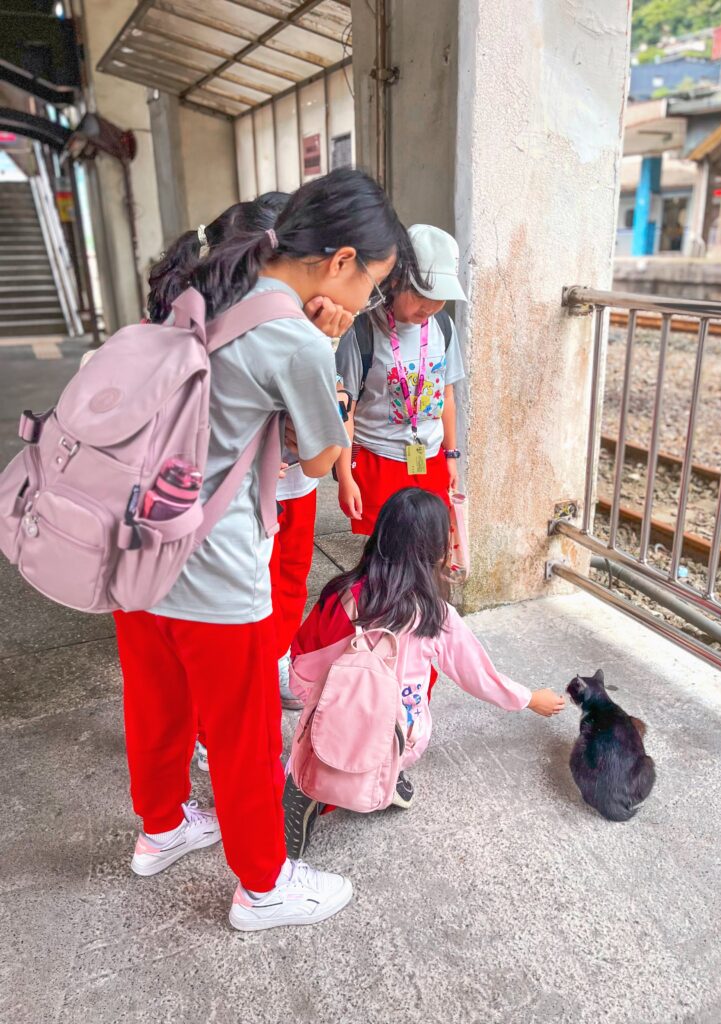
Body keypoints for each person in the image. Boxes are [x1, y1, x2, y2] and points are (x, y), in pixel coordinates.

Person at [113, 168, 400, 932]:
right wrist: (326, 348)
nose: (363, 305)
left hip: (135, 544)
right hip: (210, 566)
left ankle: (161, 829)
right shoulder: (294, 335)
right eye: (370, 286)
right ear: (340, 261)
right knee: (241, 732)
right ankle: (264, 887)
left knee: (155, 702)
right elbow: (315, 457)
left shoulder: (203, 281)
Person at [148, 192, 353, 723]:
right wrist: (317, 346)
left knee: (290, 579)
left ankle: (273, 662)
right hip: (234, 503)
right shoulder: (219, 318)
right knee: (238, 610)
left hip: (287, 488)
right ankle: (222, 708)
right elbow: (317, 450)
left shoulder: (289, 320)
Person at [282, 488, 565, 858]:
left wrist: (323, 698)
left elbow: (301, 663)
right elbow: (478, 675)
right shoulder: (435, 616)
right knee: (403, 724)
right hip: (399, 734)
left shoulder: (342, 595)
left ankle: (309, 786)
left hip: (330, 722)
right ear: (435, 549)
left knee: (329, 729)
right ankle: (388, 772)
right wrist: (529, 698)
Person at [335, 224, 466, 536]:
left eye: (440, 298)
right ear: (395, 280)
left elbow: (446, 397)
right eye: (422, 294)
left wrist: (450, 456)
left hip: (429, 458)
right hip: (377, 460)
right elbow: (345, 410)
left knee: (427, 546)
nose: (431, 307)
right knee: (382, 550)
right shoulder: (363, 332)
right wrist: (345, 475)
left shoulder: (443, 328)